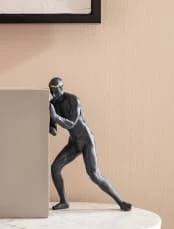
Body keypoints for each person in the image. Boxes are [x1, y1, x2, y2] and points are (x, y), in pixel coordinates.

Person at [48, 77, 132, 211]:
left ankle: (120, 202)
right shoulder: (52, 104)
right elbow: (53, 129)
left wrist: (55, 117)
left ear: (62, 88)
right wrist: (49, 124)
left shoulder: (73, 99)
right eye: (51, 89)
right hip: (74, 142)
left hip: (86, 140)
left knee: (94, 175)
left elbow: (72, 123)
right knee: (55, 167)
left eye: (56, 89)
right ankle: (63, 201)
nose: (54, 92)